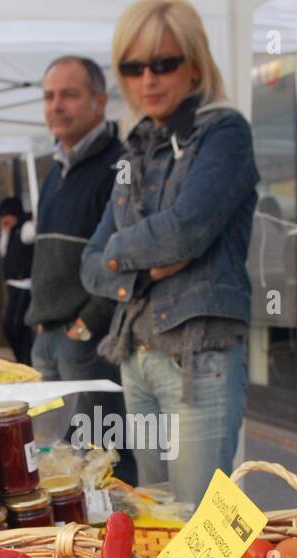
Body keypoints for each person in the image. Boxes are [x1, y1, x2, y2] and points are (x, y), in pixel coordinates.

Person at [81, 0, 257, 506]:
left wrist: (119, 252)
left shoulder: (224, 132)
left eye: (164, 63)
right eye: (133, 67)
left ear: (195, 65)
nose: (148, 79)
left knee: (195, 525)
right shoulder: (135, 148)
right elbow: (90, 264)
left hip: (196, 357)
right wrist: (135, 264)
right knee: (155, 518)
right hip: (136, 352)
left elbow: (184, 232)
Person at [28, 54, 135, 484]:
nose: (56, 105)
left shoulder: (120, 164)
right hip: (49, 337)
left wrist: (85, 324)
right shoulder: (55, 170)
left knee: (104, 459)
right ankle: (78, 548)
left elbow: (124, 257)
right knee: (59, 461)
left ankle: (122, 542)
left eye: (69, 95)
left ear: (100, 102)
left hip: (87, 339)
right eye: (49, 96)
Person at [0, 196, 34, 366]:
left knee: (17, 325)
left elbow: (30, 237)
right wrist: (4, 232)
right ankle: (22, 359)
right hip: (12, 284)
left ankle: (26, 360)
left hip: (25, 284)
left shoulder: (26, 226)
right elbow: (3, 251)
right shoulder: (9, 232)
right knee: (10, 326)